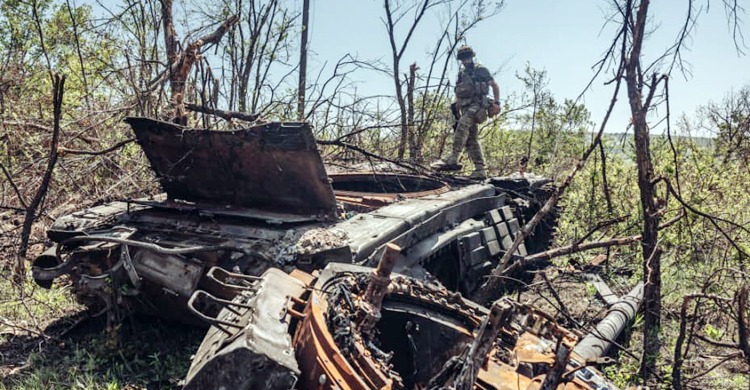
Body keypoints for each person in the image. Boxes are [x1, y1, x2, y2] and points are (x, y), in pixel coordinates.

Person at [434, 45, 500, 180]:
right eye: (463, 58)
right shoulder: (461, 75)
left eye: (467, 57)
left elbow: (494, 85)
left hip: (478, 106)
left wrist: (497, 103)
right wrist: (456, 109)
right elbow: (458, 94)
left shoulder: (480, 70)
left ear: (472, 56)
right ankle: (480, 169)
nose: (465, 60)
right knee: (471, 139)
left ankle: (453, 157)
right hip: (465, 108)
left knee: (463, 126)